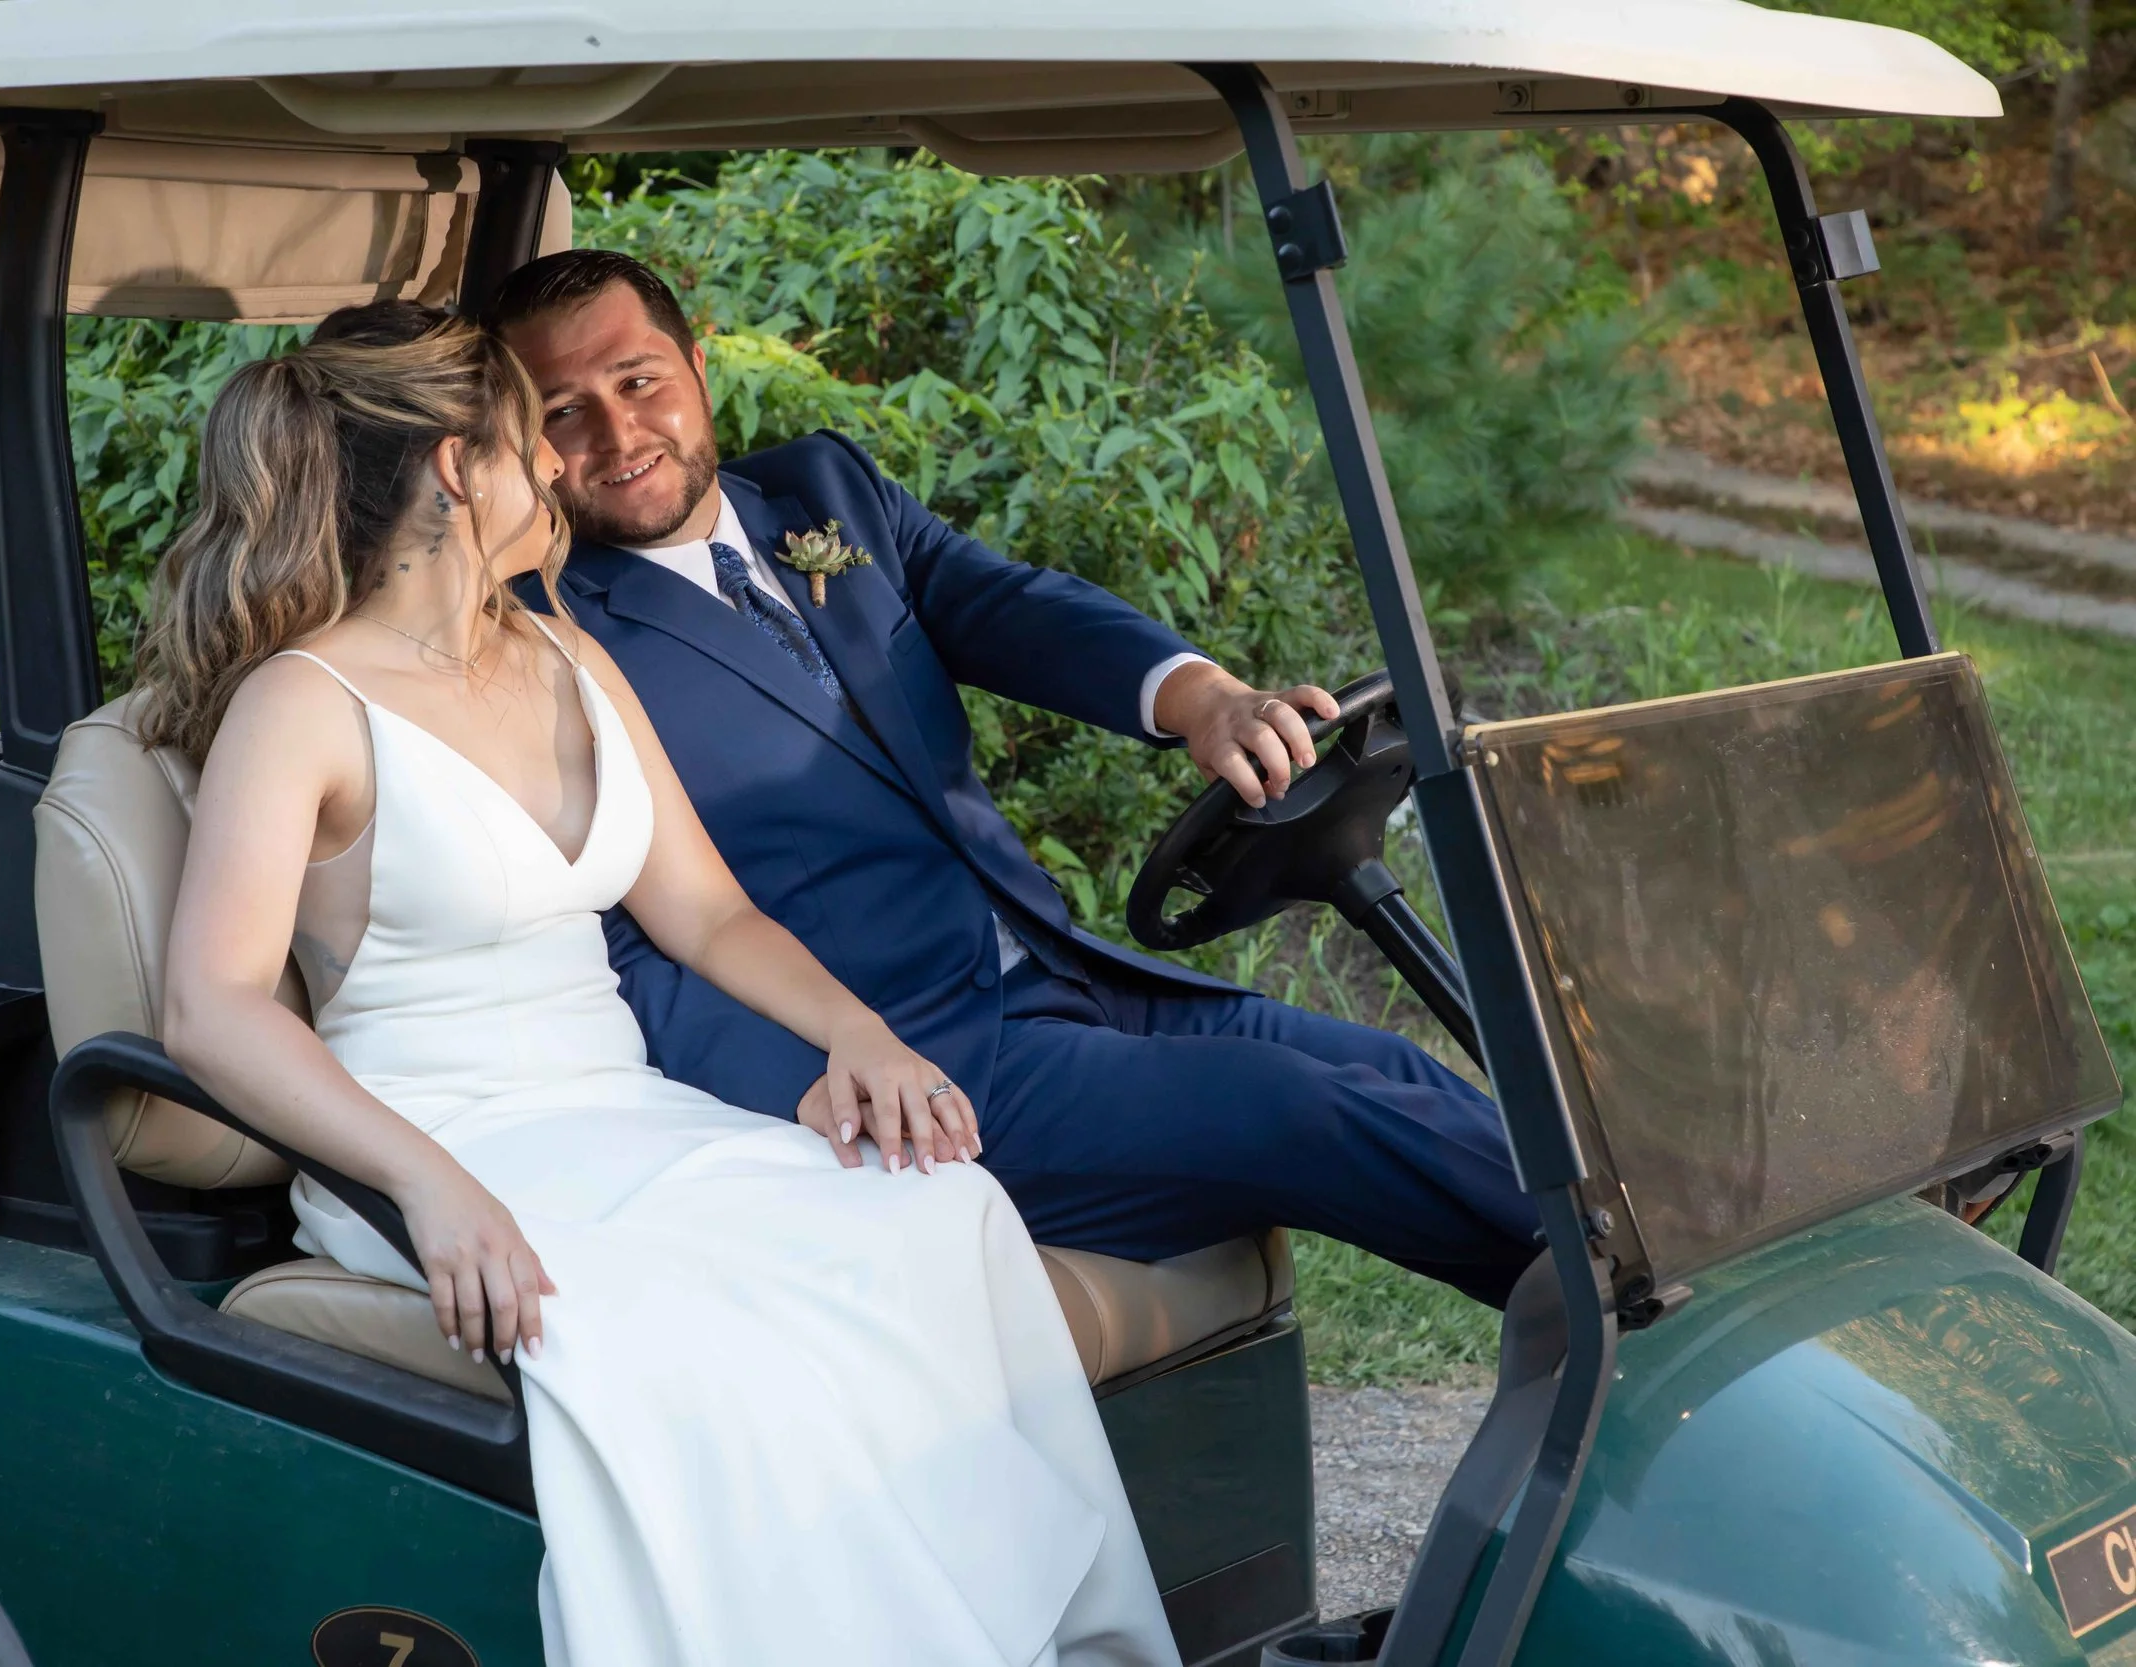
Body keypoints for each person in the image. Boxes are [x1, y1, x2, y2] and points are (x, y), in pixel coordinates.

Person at [146, 314, 1177, 1666]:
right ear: (462, 471)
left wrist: (858, 1033)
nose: (567, 471)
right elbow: (212, 1005)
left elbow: (705, 908)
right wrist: (428, 1184)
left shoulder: (562, 654)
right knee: (717, 1338)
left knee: (941, 1210)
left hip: (620, 1116)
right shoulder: (306, 701)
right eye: (537, 441)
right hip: (437, 1141)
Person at [475, 250, 1539, 1307]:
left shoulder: (818, 492)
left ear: (698, 367)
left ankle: (1661, 1267)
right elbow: (611, 943)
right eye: (563, 412)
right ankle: (1634, 1309)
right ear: (523, 444)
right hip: (926, 1068)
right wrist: (804, 1088)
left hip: (1072, 982)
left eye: (638, 381)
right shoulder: (543, 634)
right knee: (1303, 1108)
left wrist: (1203, 699)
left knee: (1385, 1067)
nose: (617, 437)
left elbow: (1008, 607)